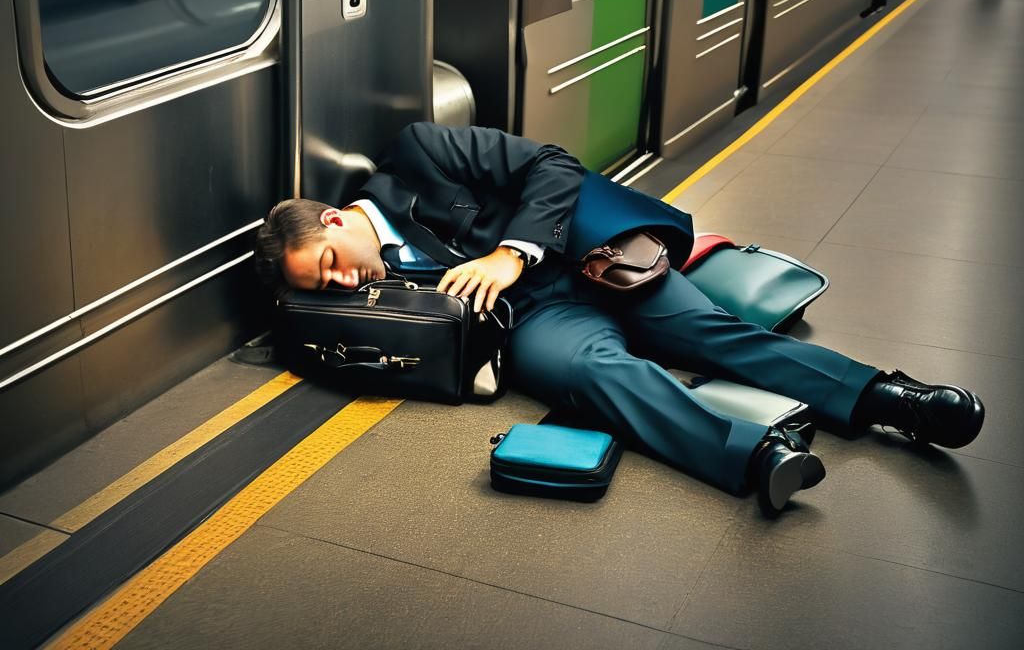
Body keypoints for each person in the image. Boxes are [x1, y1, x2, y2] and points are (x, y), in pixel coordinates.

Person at [254, 123, 985, 516]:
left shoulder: (418, 155)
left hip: (597, 260)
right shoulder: (372, 294)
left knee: (709, 334)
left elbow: (551, 164)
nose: (343, 283)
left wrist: (511, 252)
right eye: (327, 287)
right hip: (534, 323)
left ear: (334, 218)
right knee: (597, 374)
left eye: (331, 264)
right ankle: (759, 457)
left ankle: (886, 398)